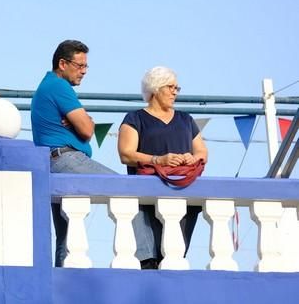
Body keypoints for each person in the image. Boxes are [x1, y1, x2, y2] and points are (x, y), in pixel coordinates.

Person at [30, 40, 153, 267]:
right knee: (127, 190)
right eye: (80, 65)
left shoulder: (47, 86)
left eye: (86, 66)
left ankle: (63, 278)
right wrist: (84, 122)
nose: (84, 71)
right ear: (62, 64)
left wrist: (82, 121)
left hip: (53, 161)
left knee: (66, 228)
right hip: (67, 158)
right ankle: (146, 259)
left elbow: (87, 126)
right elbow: (88, 130)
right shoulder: (59, 86)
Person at [117, 66, 208, 269]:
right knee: (149, 261)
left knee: (174, 259)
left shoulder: (186, 119)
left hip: (183, 192)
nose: (175, 92)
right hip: (146, 199)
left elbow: (202, 152)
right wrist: (159, 160)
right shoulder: (135, 118)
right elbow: (126, 154)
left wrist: (192, 158)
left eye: (177, 87)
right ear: (156, 88)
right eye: (171, 87)